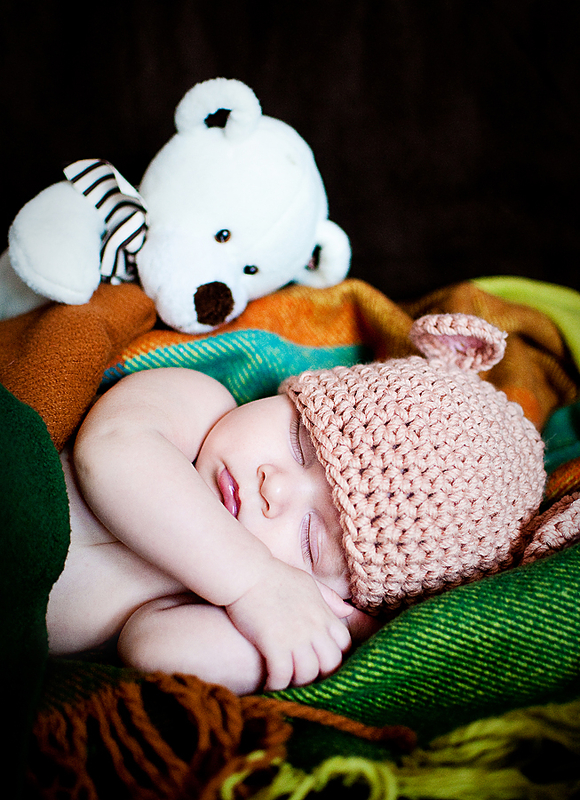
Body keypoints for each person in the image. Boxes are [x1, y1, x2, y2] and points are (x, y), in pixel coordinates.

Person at [47, 313, 558, 695]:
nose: (275, 490)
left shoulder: (211, 603)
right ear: (295, 397)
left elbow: (154, 652)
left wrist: (319, 632)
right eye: (299, 443)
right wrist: (254, 579)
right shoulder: (195, 404)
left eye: (312, 541)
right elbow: (112, 453)